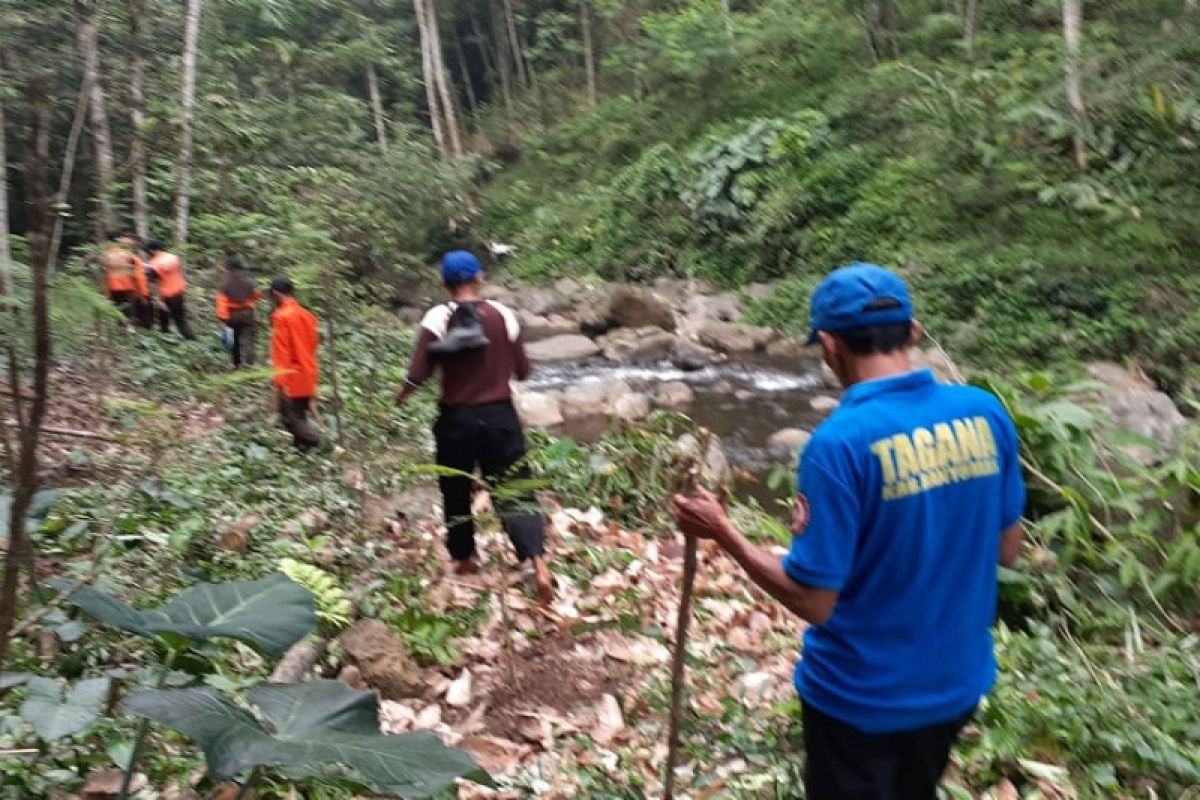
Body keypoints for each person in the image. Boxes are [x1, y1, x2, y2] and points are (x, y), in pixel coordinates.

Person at [672, 262, 1026, 800]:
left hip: (861, 701)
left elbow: (814, 601)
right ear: (912, 332)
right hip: (956, 686)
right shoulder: (985, 412)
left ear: (830, 345)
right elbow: (1009, 548)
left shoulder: (839, 444)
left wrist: (725, 532)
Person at [396, 250, 554, 605]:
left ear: (445, 283)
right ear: (479, 278)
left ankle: (465, 561)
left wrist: (401, 395)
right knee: (516, 489)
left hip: (457, 419)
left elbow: (419, 372)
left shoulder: (437, 317)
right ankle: (537, 563)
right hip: (501, 416)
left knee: (455, 490)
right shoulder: (502, 315)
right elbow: (524, 371)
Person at [269, 276, 321, 451]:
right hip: (309, 373)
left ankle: (317, 442)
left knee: (290, 418)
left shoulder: (281, 317)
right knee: (300, 414)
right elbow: (314, 344)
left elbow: (281, 352)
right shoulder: (308, 316)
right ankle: (302, 451)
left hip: (292, 377)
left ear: (276, 294)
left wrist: (281, 382)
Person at [216, 257, 263, 367]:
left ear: (228, 267)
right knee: (249, 339)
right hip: (247, 313)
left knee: (234, 340)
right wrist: (250, 302)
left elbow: (221, 303)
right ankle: (249, 363)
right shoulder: (249, 281)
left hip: (232, 316)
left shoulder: (225, 284)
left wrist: (223, 319)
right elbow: (257, 295)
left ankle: (236, 363)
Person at [144, 240, 195, 340]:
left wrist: (158, 300)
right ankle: (192, 340)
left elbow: (154, 283)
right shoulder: (173, 257)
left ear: (152, 250)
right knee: (180, 319)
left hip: (166, 295)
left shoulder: (153, 263)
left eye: (148, 251)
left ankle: (166, 338)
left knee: (164, 320)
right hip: (180, 291)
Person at [100, 232, 150, 328]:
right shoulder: (132, 257)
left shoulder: (108, 254)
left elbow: (104, 273)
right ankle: (129, 329)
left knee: (118, 311)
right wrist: (143, 294)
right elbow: (139, 277)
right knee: (130, 312)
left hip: (112, 288)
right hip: (127, 288)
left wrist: (105, 291)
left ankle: (120, 330)